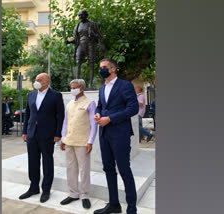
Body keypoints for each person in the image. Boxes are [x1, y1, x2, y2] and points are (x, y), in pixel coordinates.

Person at [93, 59, 139, 214]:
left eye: (104, 67)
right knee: (108, 169)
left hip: (120, 134)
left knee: (124, 169)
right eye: (100, 68)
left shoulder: (125, 85)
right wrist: (98, 114)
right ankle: (114, 204)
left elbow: (133, 109)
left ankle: (131, 208)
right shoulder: (101, 88)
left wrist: (110, 118)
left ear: (113, 69)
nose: (101, 70)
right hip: (104, 134)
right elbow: (100, 105)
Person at [18, 73, 65, 203]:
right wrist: (24, 131)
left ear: (46, 82)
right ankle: (33, 187)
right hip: (32, 133)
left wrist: (58, 134)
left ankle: (46, 190)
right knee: (32, 161)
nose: (36, 81)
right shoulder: (31, 95)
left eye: (39, 80)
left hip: (48, 134)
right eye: (35, 79)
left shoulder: (56, 95)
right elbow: (28, 114)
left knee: (47, 162)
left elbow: (60, 116)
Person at [59, 79, 97, 209]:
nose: (72, 90)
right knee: (71, 168)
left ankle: (85, 195)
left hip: (82, 142)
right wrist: (63, 139)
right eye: (71, 87)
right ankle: (73, 193)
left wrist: (90, 141)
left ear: (81, 88)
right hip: (69, 141)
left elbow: (93, 124)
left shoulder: (90, 103)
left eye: (74, 87)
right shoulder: (69, 104)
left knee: (84, 169)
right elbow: (65, 122)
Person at [66, 9, 105, 89]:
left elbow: (99, 36)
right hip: (80, 44)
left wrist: (100, 45)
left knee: (91, 63)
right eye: (79, 15)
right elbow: (75, 39)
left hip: (90, 44)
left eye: (81, 15)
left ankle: (90, 84)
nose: (80, 17)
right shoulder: (77, 25)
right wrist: (69, 42)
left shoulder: (92, 24)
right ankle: (77, 83)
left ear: (86, 15)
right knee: (78, 62)